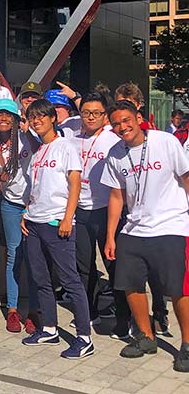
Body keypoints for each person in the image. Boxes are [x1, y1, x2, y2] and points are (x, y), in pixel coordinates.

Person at [101, 100, 189, 372]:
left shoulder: (165, 142)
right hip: (133, 229)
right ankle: (146, 336)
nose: (122, 127)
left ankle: (187, 345)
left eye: (126, 120)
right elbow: (116, 196)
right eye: (116, 123)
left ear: (138, 118)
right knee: (130, 285)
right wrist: (111, 236)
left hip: (171, 226)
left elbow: (186, 177)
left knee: (178, 289)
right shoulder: (115, 154)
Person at [21, 99, 94, 359]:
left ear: (53, 118)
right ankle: (49, 328)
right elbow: (36, 187)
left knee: (70, 280)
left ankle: (85, 338)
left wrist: (67, 217)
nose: (37, 120)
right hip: (35, 222)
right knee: (41, 279)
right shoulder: (39, 151)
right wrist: (26, 212)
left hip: (57, 223)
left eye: (41, 116)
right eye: (32, 117)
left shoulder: (66, 146)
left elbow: (75, 184)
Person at [67, 94, 124, 329]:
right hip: (81, 210)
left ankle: (124, 317)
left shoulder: (113, 139)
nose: (90, 117)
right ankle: (89, 312)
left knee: (115, 265)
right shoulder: (71, 139)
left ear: (105, 116)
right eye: (86, 112)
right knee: (84, 266)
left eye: (97, 113)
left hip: (107, 210)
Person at [0, 99, 38, 335]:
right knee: (14, 255)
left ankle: (34, 311)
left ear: (17, 119)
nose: (4, 119)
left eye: (9, 115)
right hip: (9, 205)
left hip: (34, 205)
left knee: (35, 257)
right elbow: (1, 177)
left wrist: (30, 207)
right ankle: (13, 309)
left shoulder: (28, 138)